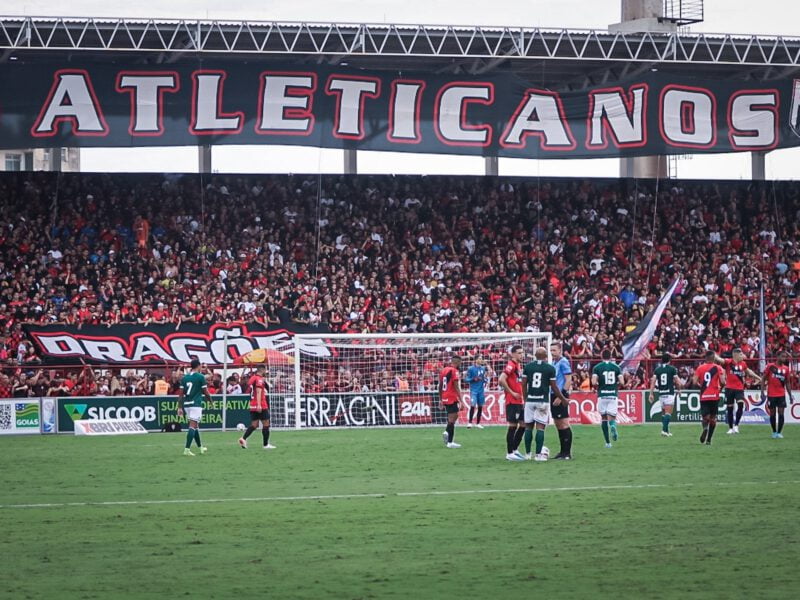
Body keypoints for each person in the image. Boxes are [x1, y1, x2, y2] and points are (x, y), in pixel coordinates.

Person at [522, 347, 567, 462]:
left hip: (530, 399)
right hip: (542, 400)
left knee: (528, 428)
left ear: (535, 355)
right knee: (540, 428)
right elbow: (554, 386)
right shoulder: (550, 368)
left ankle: (527, 454)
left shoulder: (528, 367)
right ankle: (538, 455)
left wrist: (525, 398)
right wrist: (562, 398)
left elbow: (523, 384)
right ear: (546, 356)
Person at [714, 348, 761, 434]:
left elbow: (749, 372)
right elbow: (720, 360)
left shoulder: (743, 364)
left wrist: (758, 378)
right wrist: (714, 355)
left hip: (739, 389)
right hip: (729, 388)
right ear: (735, 355)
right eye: (741, 354)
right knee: (730, 408)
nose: (742, 356)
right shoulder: (729, 362)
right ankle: (731, 428)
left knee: (740, 405)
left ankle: (736, 425)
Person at [177, 358, 212, 456]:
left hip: (187, 405)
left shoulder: (185, 378)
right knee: (192, 426)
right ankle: (187, 449)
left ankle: (200, 447)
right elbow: (206, 392)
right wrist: (211, 401)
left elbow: (180, 394)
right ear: (198, 366)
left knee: (195, 426)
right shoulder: (200, 377)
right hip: (196, 404)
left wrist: (179, 407)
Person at [591, 349, 625, 448]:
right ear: (610, 356)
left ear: (601, 356)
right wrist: (616, 384)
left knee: (604, 418)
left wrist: (598, 384)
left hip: (602, 395)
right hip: (612, 395)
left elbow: (593, 382)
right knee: (612, 417)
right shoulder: (616, 367)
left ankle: (608, 443)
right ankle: (613, 425)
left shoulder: (597, 367)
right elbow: (622, 382)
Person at [239, 364, 276, 450]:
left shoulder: (253, 378)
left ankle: (243, 438)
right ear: (262, 370)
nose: (265, 372)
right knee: (266, 424)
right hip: (261, 404)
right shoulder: (259, 379)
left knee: (254, 425)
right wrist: (259, 404)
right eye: (265, 370)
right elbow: (258, 391)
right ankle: (266, 445)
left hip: (252, 404)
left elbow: (249, 386)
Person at [693, 351, 726, 446]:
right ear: (714, 358)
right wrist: (720, 389)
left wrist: (701, 386)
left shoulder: (700, 368)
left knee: (705, 418)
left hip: (704, 396)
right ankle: (709, 440)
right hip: (714, 396)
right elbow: (723, 382)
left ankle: (705, 429)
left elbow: (694, 382)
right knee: (713, 418)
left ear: (705, 358)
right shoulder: (718, 368)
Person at [499, 345, 526, 459]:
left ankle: (514, 449)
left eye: (522, 352)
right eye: (519, 353)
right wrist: (511, 392)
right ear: (513, 354)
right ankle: (509, 453)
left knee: (524, 424)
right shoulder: (511, 365)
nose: (522, 355)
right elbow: (501, 379)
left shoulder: (518, 365)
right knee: (513, 426)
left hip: (519, 401)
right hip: (512, 401)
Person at [550, 341, 574, 460]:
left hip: (560, 395)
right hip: (554, 395)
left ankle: (567, 453)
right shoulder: (554, 362)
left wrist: (562, 397)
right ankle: (562, 451)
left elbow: (568, 380)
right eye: (551, 350)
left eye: (554, 350)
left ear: (560, 350)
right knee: (558, 423)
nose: (552, 353)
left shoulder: (563, 362)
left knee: (564, 423)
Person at [650, 353, 682, 437]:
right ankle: (664, 430)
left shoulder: (657, 370)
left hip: (661, 394)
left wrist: (651, 393)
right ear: (669, 360)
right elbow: (677, 382)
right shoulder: (672, 369)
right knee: (668, 413)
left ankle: (667, 431)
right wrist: (679, 390)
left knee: (664, 413)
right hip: (669, 393)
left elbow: (653, 381)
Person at [762, 353, 792, 439]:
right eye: (783, 356)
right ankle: (774, 432)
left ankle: (779, 432)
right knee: (772, 413)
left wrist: (790, 395)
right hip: (771, 394)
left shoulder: (786, 369)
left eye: (785, 357)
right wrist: (762, 392)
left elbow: (787, 382)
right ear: (778, 357)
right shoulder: (770, 366)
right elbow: (763, 378)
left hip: (781, 394)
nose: (784, 358)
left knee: (781, 413)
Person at [439, 354, 462, 448]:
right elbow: (456, 386)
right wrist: (461, 400)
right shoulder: (454, 371)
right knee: (453, 418)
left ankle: (450, 440)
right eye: (460, 362)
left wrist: (440, 399)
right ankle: (448, 435)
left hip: (444, 396)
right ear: (457, 362)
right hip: (451, 397)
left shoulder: (444, 370)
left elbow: (440, 386)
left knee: (453, 417)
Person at [466, 355, 487, 429]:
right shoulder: (471, 369)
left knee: (480, 406)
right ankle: (470, 423)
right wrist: (473, 379)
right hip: (474, 391)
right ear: (475, 360)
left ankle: (478, 423)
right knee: (472, 405)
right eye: (479, 358)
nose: (481, 360)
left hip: (481, 391)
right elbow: (466, 379)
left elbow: (484, 378)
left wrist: (485, 380)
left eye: (481, 358)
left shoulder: (483, 368)